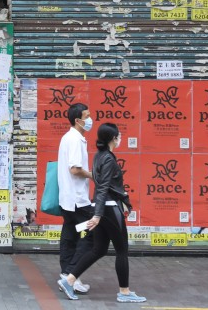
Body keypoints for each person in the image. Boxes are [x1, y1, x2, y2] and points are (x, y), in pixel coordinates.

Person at [60, 123, 146, 303]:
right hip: (108, 208)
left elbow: (101, 187)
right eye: (119, 136)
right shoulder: (107, 159)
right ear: (113, 139)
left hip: (101, 207)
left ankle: (69, 280)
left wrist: (97, 213)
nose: (120, 138)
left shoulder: (99, 157)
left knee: (99, 249)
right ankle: (124, 292)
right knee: (122, 250)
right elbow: (103, 188)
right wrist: (97, 215)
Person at [57, 102, 93, 296]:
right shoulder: (75, 139)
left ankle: (67, 274)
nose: (90, 119)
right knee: (88, 238)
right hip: (78, 201)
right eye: (87, 116)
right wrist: (94, 175)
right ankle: (72, 276)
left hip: (68, 199)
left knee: (70, 235)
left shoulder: (68, 137)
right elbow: (75, 169)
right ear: (78, 120)